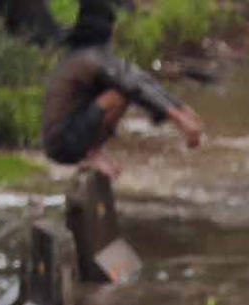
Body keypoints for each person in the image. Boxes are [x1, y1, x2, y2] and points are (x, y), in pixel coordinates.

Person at [38, 2, 206, 176]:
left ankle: (93, 152)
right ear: (109, 29)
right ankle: (92, 153)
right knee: (117, 97)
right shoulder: (91, 58)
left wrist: (180, 107)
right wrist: (179, 118)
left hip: (61, 140)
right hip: (63, 143)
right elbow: (134, 86)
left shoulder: (86, 55)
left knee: (121, 90)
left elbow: (140, 78)